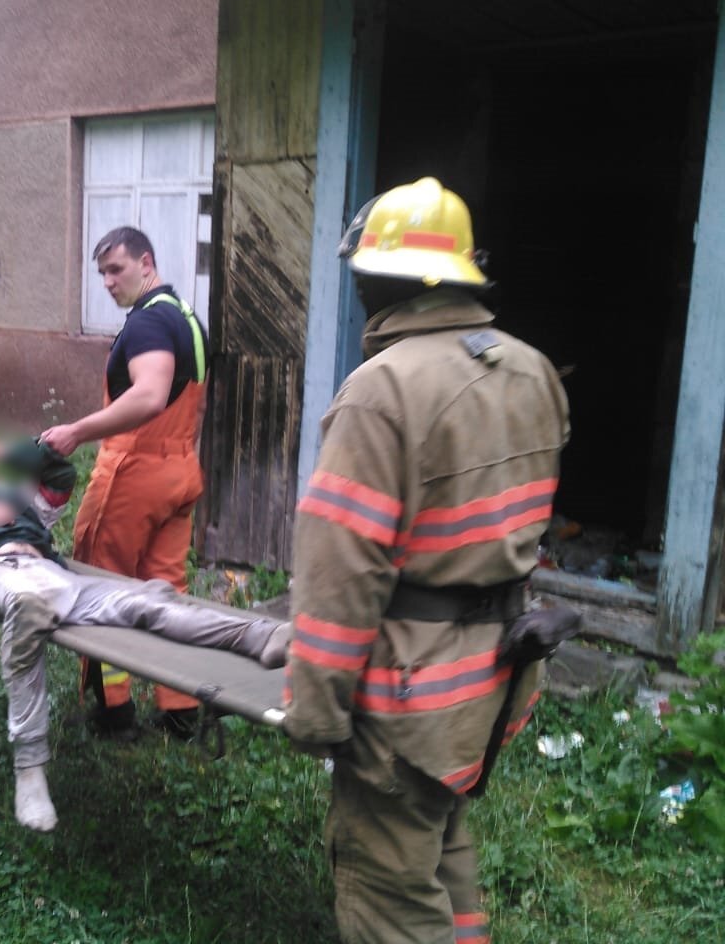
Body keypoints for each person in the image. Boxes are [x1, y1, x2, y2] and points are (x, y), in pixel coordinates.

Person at [283, 178, 570, 944]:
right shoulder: (531, 370)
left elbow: (341, 574)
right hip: (491, 679)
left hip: (409, 694)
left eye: (363, 275)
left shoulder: (382, 390)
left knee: (388, 889)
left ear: (391, 279)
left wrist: (317, 713)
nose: (358, 292)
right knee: (442, 844)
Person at [0, 424, 288, 832]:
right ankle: (29, 768)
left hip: (52, 576)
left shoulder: (13, 496)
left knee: (147, 601)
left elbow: (59, 477)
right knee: (28, 610)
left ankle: (260, 636)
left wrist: (14, 452)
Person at [41, 226, 209, 740]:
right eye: (102, 274)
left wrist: (77, 431)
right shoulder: (186, 317)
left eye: (116, 269)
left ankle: (112, 712)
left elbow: (150, 395)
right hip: (181, 470)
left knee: (99, 587)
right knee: (167, 591)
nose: (108, 282)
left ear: (146, 263)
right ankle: (180, 709)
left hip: (135, 472)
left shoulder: (148, 321)